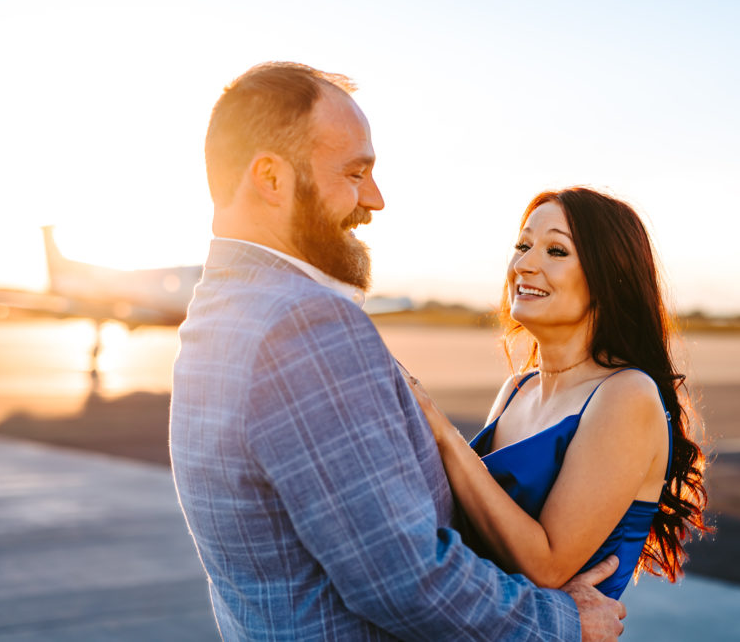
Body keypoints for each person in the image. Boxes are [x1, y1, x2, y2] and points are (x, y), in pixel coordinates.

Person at [169, 62, 626, 641]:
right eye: (356, 172)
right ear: (271, 178)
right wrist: (562, 624)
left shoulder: (218, 313)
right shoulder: (304, 323)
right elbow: (404, 579)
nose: (375, 199)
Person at [404, 187, 709, 600]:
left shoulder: (626, 394)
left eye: (556, 251)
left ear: (609, 277)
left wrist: (442, 433)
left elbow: (546, 567)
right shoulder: (517, 389)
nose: (525, 264)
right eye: (523, 245)